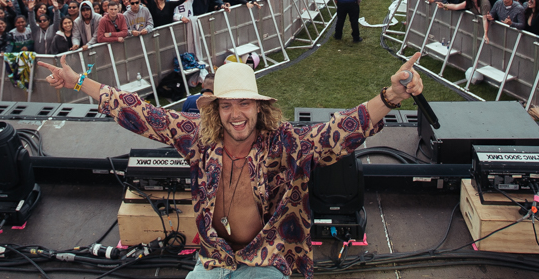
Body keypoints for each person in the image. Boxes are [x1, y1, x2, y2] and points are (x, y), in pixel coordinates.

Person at [36, 52, 425, 279]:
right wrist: (78, 81)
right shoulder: (198, 139)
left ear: (259, 106)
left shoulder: (285, 143)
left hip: (267, 261)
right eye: (226, 104)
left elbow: (340, 131)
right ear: (216, 109)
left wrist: (390, 96)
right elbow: (141, 112)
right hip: (213, 261)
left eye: (244, 103)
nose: (236, 114)